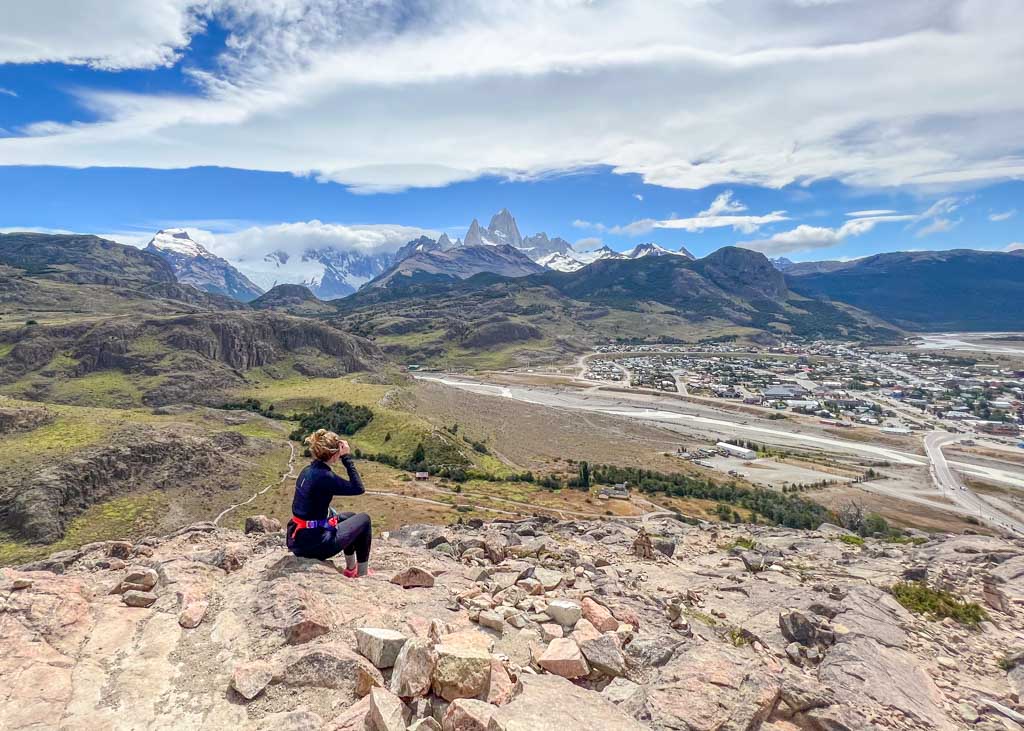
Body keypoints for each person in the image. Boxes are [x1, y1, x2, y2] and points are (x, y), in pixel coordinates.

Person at [287, 428, 373, 577]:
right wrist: (347, 458)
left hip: (298, 538)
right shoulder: (325, 476)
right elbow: (358, 488)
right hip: (315, 545)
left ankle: (351, 569)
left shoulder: (307, 471)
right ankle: (362, 575)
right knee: (364, 520)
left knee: (350, 516)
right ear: (334, 455)